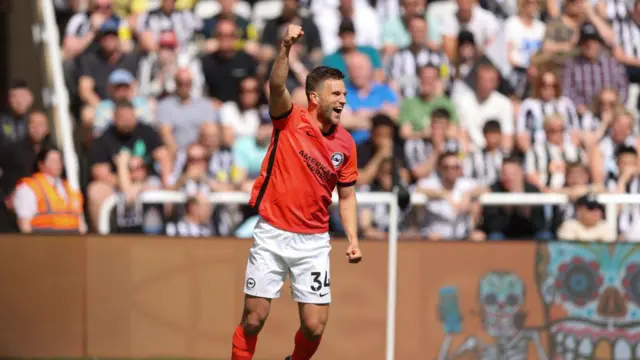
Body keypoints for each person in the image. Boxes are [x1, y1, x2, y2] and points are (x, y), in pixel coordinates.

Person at [230, 24, 362, 360]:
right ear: (315, 98)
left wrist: (353, 239)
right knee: (254, 318)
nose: (343, 100)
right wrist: (285, 48)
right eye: (336, 94)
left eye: (345, 95)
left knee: (315, 326)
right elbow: (276, 85)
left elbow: (346, 197)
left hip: (314, 241)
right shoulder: (288, 119)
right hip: (272, 232)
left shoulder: (345, 144)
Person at [13, 148, 86, 234]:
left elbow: (80, 221)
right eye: (53, 160)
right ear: (41, 164)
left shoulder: (70, 189)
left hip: (72, 240)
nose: (57, 164)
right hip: (43, 241)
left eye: (59, 160)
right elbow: (25, 224)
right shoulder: (29, 188)